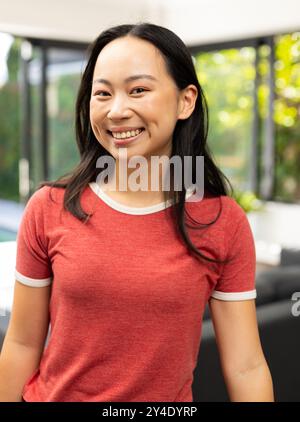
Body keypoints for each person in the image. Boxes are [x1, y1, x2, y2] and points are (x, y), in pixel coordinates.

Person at [0, 22, 274, 402]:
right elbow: (21, 344)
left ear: (185, 101)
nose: (116, 111)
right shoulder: (48, 208)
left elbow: (247, 365)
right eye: (102, 93)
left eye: (138, 90)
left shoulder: (221, 221)